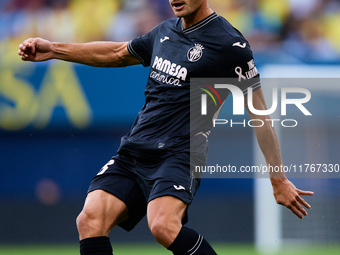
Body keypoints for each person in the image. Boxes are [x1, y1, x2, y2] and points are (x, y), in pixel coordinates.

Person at [18, 0, 314, 254]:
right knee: (90, 220)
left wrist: (278, 179)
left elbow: (259, 112)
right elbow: (118, 53)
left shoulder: (229, 44)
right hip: (135, 149)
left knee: (162, 225)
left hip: (181, 153)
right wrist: (54, 49)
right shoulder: (165, 31)